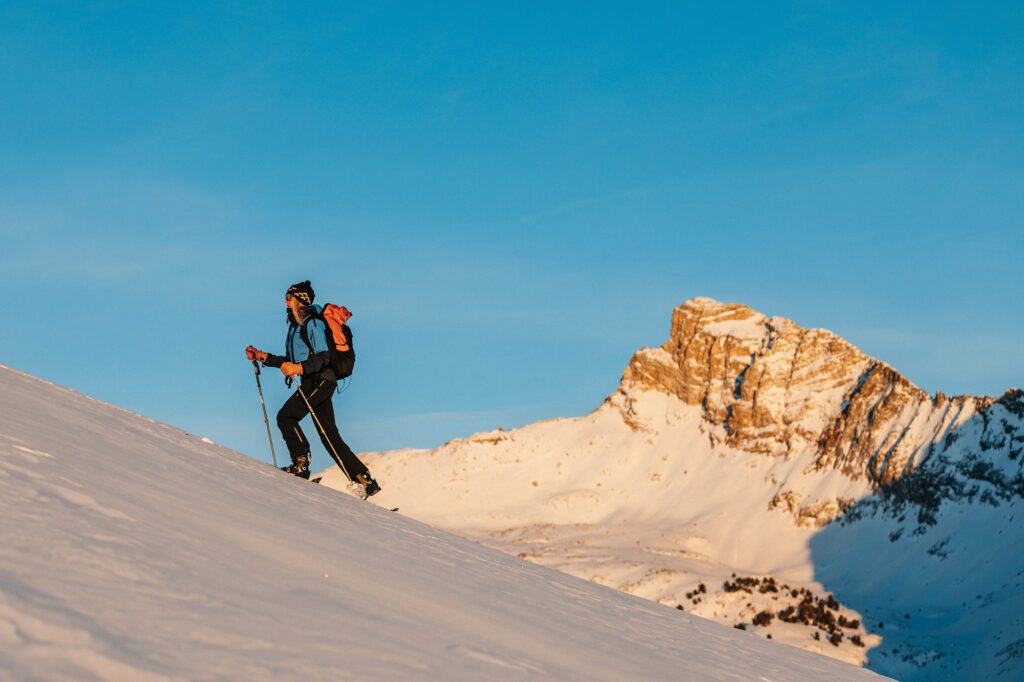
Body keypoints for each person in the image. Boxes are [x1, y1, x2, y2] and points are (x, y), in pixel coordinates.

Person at [246, 281, 380, 497]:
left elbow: (324, 356)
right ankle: (365, 481)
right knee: (328, 435)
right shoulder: (297, 325)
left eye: (289, 298)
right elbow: (291, 360)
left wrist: (298, 368)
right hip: (316, 380)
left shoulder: (312, 323)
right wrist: (264, 357)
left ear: (299, 300)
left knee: (286, 417)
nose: (285, 301)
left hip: (320, 380)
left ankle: (301, 465)